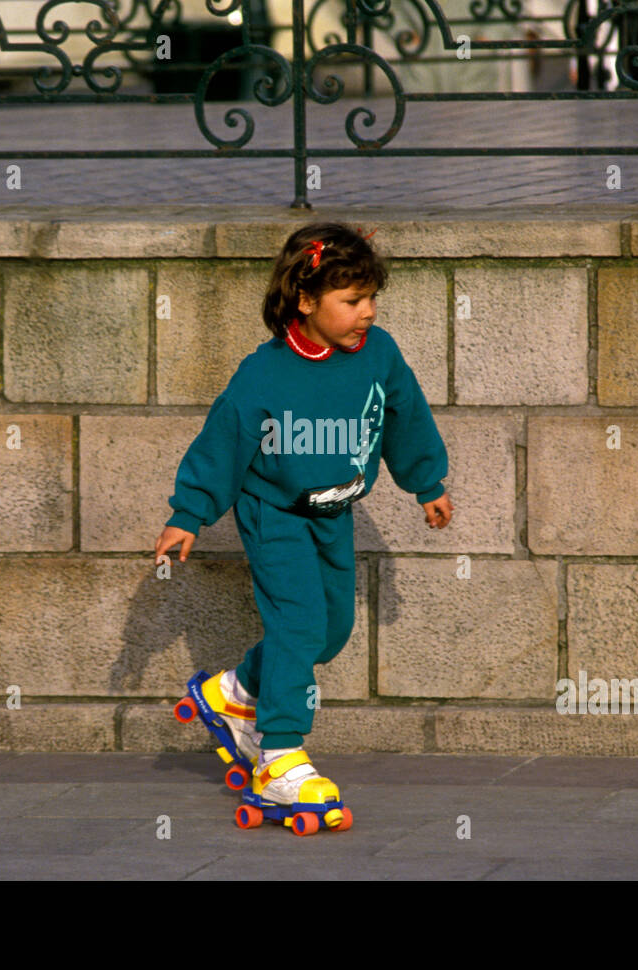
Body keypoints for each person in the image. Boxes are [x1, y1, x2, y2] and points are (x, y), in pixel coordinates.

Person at [153, 221, 453, 818]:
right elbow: (223, 442)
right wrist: (189, 512)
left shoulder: (381, 355)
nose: (367, 312)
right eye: (351, 301)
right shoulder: (262, 374)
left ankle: (236, 691)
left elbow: (406, 416)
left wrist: (426, 482)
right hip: (273, 512)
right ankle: (280, 756)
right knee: (298, 622)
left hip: (332, 512)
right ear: (306, 301)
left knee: (332, 630)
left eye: (371, 299)